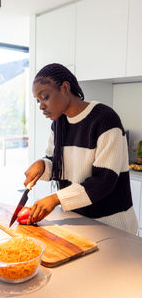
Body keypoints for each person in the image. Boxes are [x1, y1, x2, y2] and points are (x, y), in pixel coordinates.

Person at [24, 63, 138, 234]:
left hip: (111, 226)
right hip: (78, 220)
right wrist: (42, 165)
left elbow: (103, 181)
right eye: (38, 100)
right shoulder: (59, 124)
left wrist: (56, 199)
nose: (41, 106)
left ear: (64, 87)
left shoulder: (105, 119)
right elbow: (56, 163)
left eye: (45, 97)